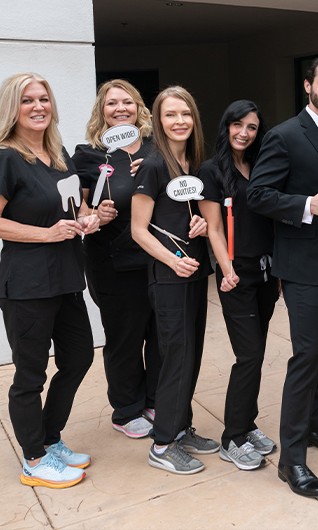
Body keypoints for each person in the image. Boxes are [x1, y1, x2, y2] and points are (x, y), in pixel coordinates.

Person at [247, 56, 318, 498]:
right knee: (306, 357)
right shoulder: (284, 135)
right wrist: (304, 206)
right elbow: (258, 194)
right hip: (302, 267)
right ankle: (292, 459)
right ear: (309, 85)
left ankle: (314, 425)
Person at [0, 72, 99, 488]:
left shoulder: (58, 154)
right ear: (12, 109)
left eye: (44, 98)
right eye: (27, 101)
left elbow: (72, 209)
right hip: (27, 284)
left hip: (65, 277)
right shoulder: (6, 157)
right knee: (30, 374)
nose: (38, 106)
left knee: (78, 357)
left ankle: (50, 437)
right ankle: (34, 458)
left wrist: (89, 219)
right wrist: (46, 233)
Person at [131, 86, 220, 475]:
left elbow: (183, 216)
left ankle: (180, 428)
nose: (179, 121)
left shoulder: (195, 165)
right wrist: (173, 260)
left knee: (191, 353)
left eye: (185, 114)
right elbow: (138, 230)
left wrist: (199, 224)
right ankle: (162, 444)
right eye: (170, 115)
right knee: (175, 358)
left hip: (194, 272)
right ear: (158, 120)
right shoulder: (153, 165)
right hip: (169, 277)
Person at [72, 80, 160, 440]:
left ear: (140, 108)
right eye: (112, 103)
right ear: (101, 111)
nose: (120, 108)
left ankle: (155, 398)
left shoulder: (159, 149)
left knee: (160, 334)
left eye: (128, 102)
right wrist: (96, 214)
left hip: (159, 257)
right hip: (113, 262)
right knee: (125, 336)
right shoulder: (89, 155)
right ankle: (126, 409)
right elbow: (80, 210)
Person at [199, 100, 278, 471]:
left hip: (266, 273)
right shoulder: (211, 170)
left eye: (251, 127)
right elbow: (213, 227)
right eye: (237, 125)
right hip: (237, 276)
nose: (244, 133)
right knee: (247, 355)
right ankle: (232, 437)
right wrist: (226, 269)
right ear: (226, 126)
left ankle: (247, 424)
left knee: (257, 353)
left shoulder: (260, 165)